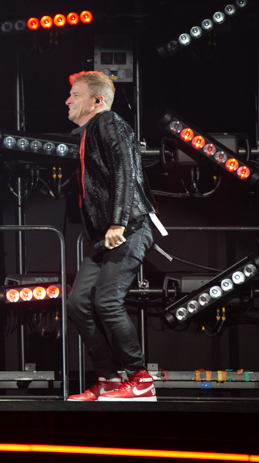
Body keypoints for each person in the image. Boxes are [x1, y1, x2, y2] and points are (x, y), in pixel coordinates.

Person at [64, 70, 157, 402]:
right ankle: (109, 378)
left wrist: (117, 222)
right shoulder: (90, 132)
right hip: (105, 237)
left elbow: (125, 171)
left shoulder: (108, 122)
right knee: (78, 303)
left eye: (75, 95)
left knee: (107, 301)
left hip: (128, 228)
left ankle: (140, 379)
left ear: (97, 100)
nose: (68, 101)